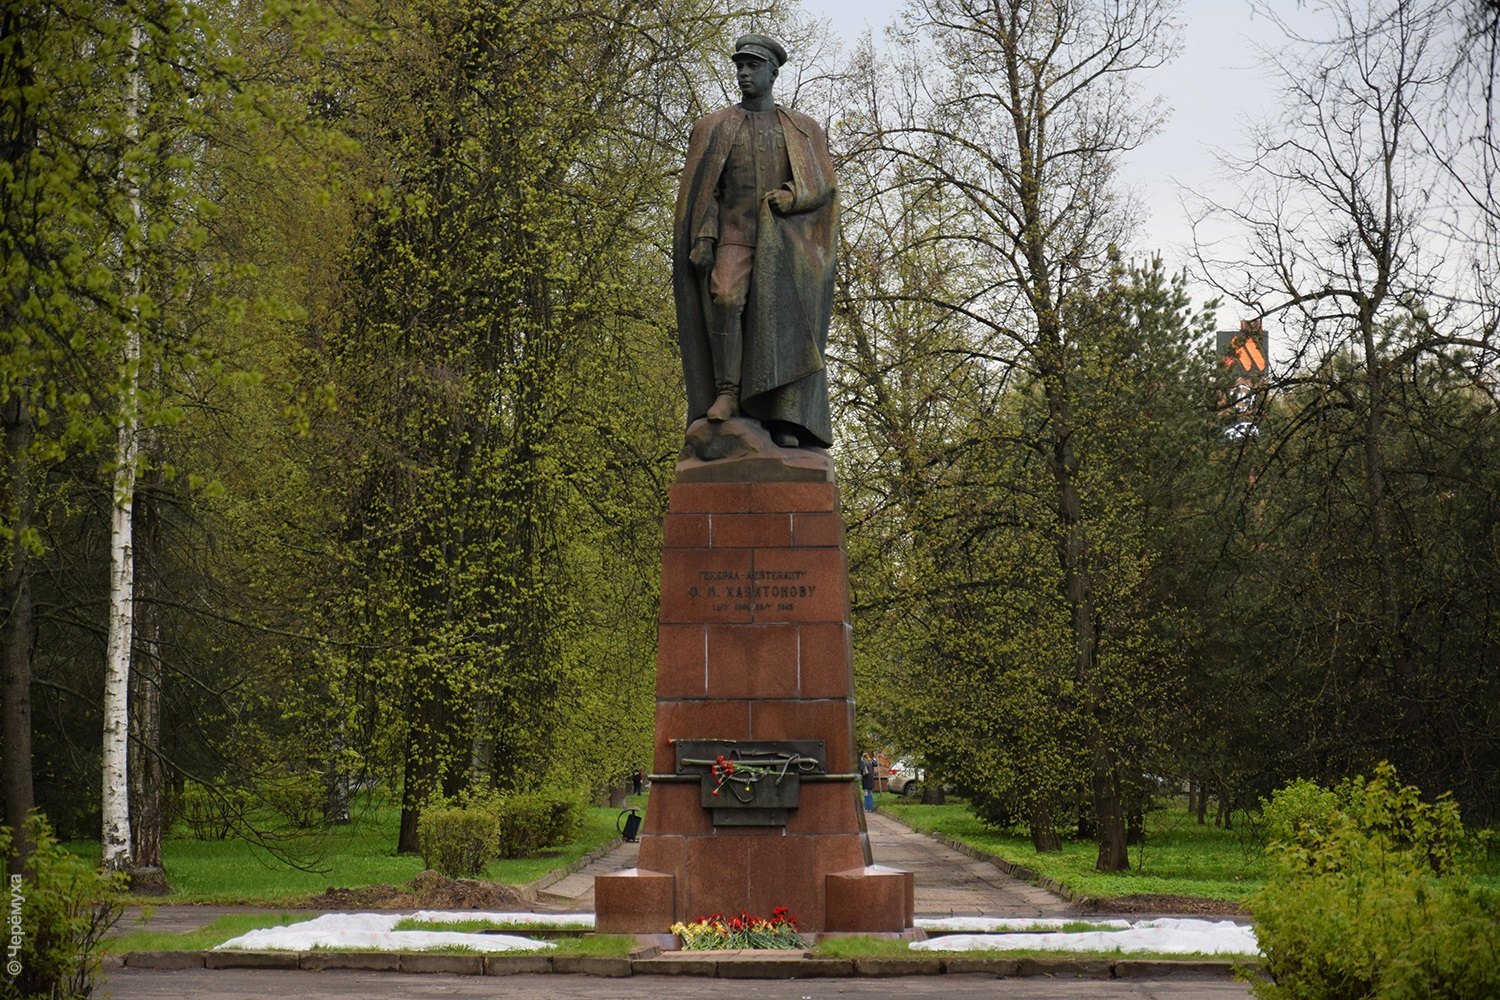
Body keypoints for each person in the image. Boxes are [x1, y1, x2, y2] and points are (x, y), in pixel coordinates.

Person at [673, 34, 838, 449]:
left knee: (779, 324)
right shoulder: (715, 127)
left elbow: (822, 186)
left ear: (773, 73)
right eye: (740, 67)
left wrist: (791, 195)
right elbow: (706, 191)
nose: (744, 74)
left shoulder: (801, 128)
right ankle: (727, 393)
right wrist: (704, 237)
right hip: (735, 237)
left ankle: (783, 414)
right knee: (726, 299)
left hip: (783, 248)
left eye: (753, 66)